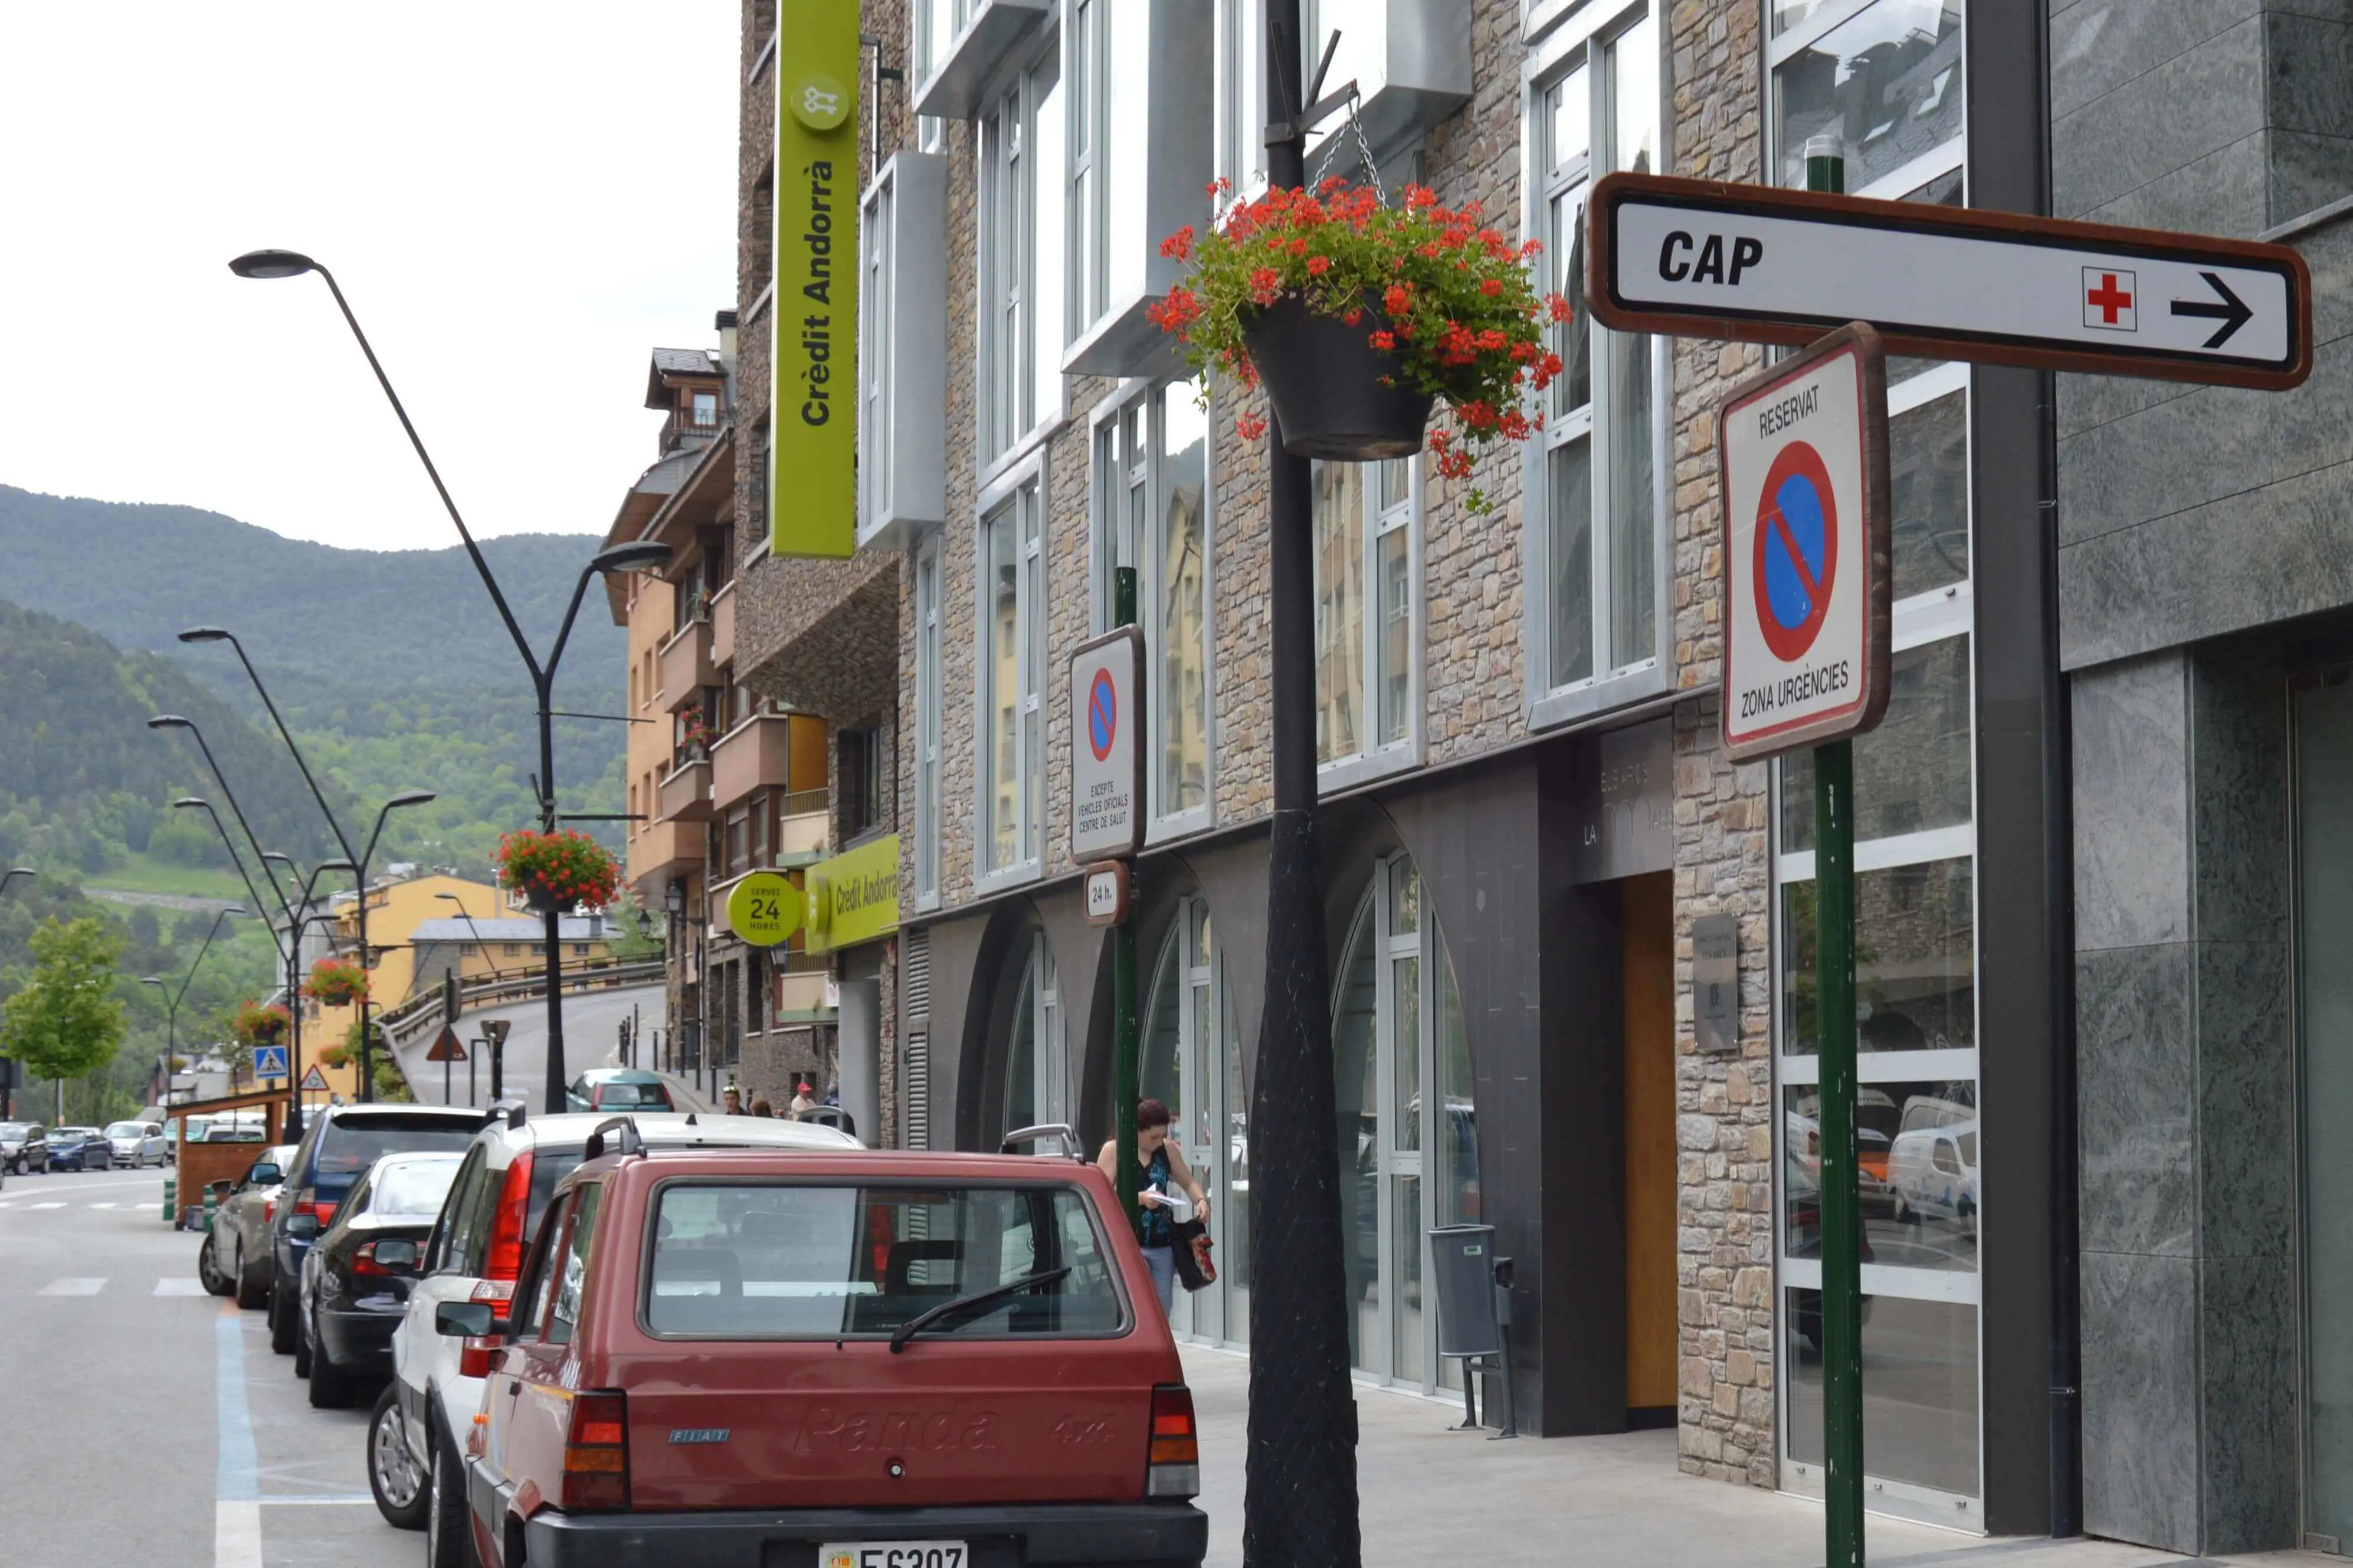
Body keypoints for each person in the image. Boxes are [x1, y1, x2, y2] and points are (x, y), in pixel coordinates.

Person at [1096, 1098, 1208, 1315]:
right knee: (1137, 1305)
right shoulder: (1114, 1150)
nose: (1159, 1141)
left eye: (1163, 1136)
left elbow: (1188, 1181)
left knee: (1162, 1306)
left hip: (1162, 1242)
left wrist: (1201, 1200)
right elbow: (1101, 1194)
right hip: (1127, 1242)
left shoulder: (1166, 1150)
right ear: (1136, 1131)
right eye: (1153, 1137)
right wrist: (1139, 1198)